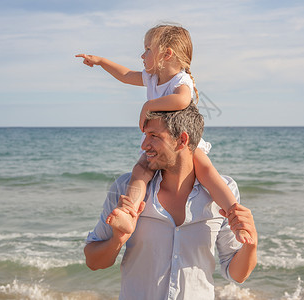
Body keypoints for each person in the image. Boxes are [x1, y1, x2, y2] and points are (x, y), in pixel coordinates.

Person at [76, 23, 252, 244]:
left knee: (208, 173)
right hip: (160, 144)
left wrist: (148, 106)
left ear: (166, 54)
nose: (142, 54)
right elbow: (125, 75)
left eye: (148, 49)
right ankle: (129, 212)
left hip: (183, 141)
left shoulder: (181, 80)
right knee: (139, 171)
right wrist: (101, 61)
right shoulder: (151, 78)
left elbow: (182, 100)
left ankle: (236, 216)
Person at [84, 103, 257, 299]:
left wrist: (251, 243)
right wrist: (117, 240)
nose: (143, 145)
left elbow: (237, 275)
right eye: (145, 135)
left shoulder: (223, 192)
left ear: (182, 140)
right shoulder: (126, 188)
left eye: (154, 136)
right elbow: (93, 261)